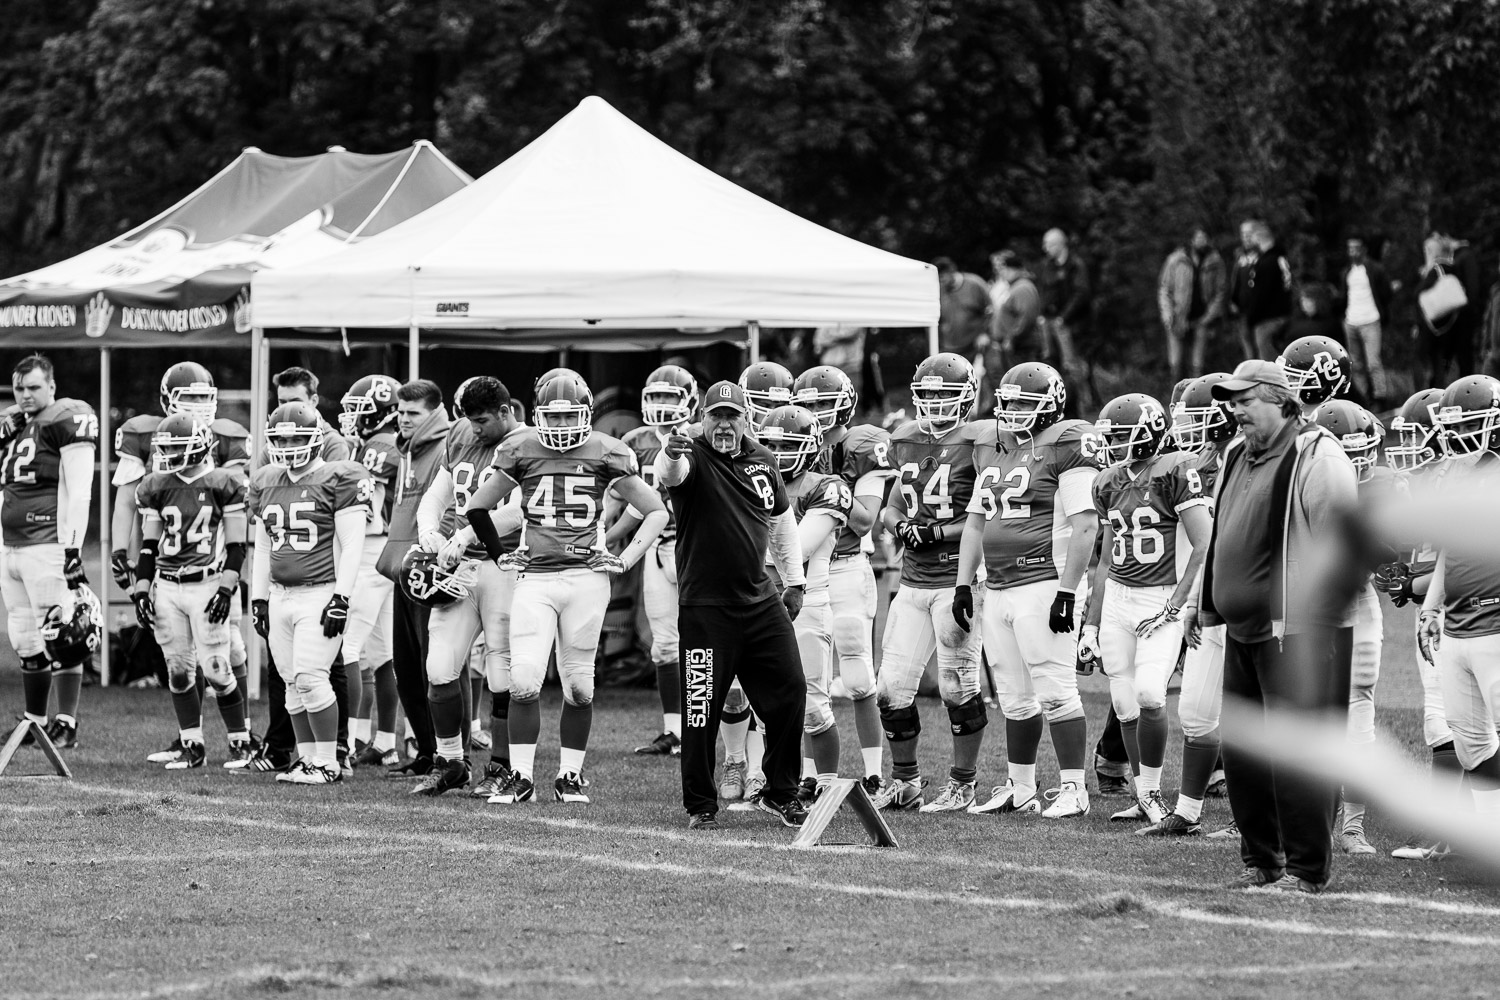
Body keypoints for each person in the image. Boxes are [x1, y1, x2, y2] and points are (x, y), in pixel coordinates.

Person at [463, 371, 666, 805]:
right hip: (535, 578)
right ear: (537, 417)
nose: (559, 428)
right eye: (551, 419)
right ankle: (521, 777)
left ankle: (569, 776)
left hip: (585, 579)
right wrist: (500, 554)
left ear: (586, 414)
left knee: (579, 686)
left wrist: (624, 559)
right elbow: (477, 507)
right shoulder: (520, 449)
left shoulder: (608, 452)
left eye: (568, 417)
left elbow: (656, 511)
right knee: (523, 680)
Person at [1197, 359, 1359, 893]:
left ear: (1280, 400)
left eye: (1246, 400)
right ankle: (1262, 860)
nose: (1235, 409)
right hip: (1244, 630)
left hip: (1298, 633)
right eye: (1232, 401)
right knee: (1244, 756)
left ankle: (1307, 870)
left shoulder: (1318, 455)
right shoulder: (1235, 456)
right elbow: (1222, 532)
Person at [655, 380, 811, 830]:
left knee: (791, 691)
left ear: (747, 420)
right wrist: (671, 450)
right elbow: (670, 473)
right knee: (701, 706)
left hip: (760, 599)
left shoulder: (764, 460)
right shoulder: (692, 455)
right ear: (703, 419)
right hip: (706, 607)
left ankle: (781, 793)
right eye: (716, 416)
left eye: (732, 417)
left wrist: (796, 581)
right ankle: (701, 805)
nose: (724, 424)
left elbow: (781, 525)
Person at [957, 362, 1101, 819]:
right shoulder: (998, 450)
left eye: (1023, 401)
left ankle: (1074, 789)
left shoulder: (1067, 444)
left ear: (1050, 403)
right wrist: (964, 583)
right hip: (997, 587)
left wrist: (1067, 591)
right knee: (1014, 697)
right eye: (1009, 401)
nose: (1013, 410)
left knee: (1057, 690)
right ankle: (1019, 787)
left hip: (1043, 583)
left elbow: (1085, 524)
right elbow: (976, 523)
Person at [1080, 393, 1212, 828]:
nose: (1112, 444)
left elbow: (1204, 543)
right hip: (1117, 596)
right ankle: (1143, 795)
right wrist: (1090, 624)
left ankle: (1154, 793)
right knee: (1123, 701)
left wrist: (1179, 602)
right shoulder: (1105, 482)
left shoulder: (1175, 469)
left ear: (1147, 434)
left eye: (1120, 436)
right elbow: (1104, 560)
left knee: (1151, 693)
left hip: (1160, 598)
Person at [872, 353, 988, 812]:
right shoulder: (904, 440)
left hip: (958, 578)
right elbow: (893, 506)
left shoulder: (980, 441)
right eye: (929, 394)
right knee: (890, 688)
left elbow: (984, 515)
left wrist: (939, 531)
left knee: (957, 686)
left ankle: (963, 782)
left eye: (945, 394)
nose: (936, 403)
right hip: (914, 580)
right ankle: (906, 780)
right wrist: (901, 526)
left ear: (966, 398)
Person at [412, 376, 527, 797]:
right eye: (470, 420)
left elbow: (517, 512)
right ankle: (451, 761)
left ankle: (501, 765)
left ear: (505, 412)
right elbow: (435, 496)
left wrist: (466, 536)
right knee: (439, 668)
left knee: (503, 673)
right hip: (457, 571)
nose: (474, 429)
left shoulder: (528, 442)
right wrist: (429, 533)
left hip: (505, 566)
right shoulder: (461, 434)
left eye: (481, 420)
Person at [248, 401, 371, 785]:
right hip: (281, 593)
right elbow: (264, 547)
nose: (287, 446)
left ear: (316, 437)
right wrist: (259, 597)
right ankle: (306, 759)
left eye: (296, 438)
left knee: (311, 677)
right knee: (290, 682)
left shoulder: (339, 476)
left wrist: (342, 598)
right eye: (280, 439)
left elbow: (353, 546)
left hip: (320, 592)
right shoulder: (266, 480)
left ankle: (328, 761)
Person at [1141, 372, 1236, 836]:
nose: (1187, 429)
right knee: (1196, 713)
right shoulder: (1187, 468)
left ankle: (1252, 818)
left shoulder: (1247, 464)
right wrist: (1193, 600)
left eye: (1197, 420)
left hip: (1249, 604)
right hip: (1207, 603)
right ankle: (1188, 812)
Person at [130, 413, 254, 770]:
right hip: (168, 585)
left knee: (217, 668)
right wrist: (141, 590)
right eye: (165, 447)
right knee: (179, 671)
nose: (168, 454)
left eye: (176, 447)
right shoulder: (155, 485)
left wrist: (226, 590)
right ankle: (192, 745)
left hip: (208, 582)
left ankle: (240, 742)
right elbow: (149, 547)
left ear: (199, 447)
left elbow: (236, 545)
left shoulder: (224, 482)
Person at [795, 365, 892, 795]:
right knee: (807, 679)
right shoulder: (791, 437)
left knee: (857, 676)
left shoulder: (863, 446)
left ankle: (873, 773)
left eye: (821, 403)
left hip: (848, 563)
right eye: (808, 404)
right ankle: (810, 776)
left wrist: (834, 491)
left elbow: (867, 519)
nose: (814, 411)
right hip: (805, 570)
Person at [756, 404, 853, 797]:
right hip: (758, 601)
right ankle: (777, 786)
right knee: (765, 707)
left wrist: (738, 547)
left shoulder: (826, 486)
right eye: (770, 447)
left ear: (811, 447)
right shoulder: (749, 479)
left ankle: (826, 788)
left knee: (812, 705)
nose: (777, 456)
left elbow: (796, 548)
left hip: (805, 602)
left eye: (789, 446)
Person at [1, 353, 98, 748]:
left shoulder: (66, 416)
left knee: (62, 633)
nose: (25, 395)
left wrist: (72, 550)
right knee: (24, 636)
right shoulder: (16, 427)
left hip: (47, 545)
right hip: (12, 546)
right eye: (20, 388)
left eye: (34, 387)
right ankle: (34, 721)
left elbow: (80, 491)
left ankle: (67, 722)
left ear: (52, 387)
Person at [615, 365, 700, 757]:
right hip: (656, 547)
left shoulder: (700, 437)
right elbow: (619, 497)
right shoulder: (635, 440)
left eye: (670, 396)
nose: (662, 405)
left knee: (704, 640)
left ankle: (716, 728)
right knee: (664, 646)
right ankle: (674, 732)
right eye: (656, 396)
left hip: (697, 547)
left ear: (690, 400)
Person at [376, 380, 451, 777]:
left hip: (428, 568)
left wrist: (436, 559)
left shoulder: (443, 447)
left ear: (434, 413)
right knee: (406, 668)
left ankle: (448, 753)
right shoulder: (406, 447)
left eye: (413, 414)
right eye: (401, 412)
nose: (403, 420)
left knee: (436, 665)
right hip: (402, 569)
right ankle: (425, 751)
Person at [339, 375, 402, 767]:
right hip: (386, 549)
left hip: (370, 550)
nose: (351, 418)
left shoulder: (379, 447)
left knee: (346, 647)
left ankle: (343, 742)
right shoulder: (382, 444)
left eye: (359, 410)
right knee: (382, 654)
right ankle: (384, 740)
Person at [1159, 229, 1226, 384]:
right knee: (1176, 363)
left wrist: (1209, 316)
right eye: (1199, 238)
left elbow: (1220, 292)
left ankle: (1195, 399)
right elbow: (1165, 289)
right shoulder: (1175, 260)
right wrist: (1167, 314)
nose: (1202, 241)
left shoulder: (1215, 261)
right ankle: (1175, 399)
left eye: (1205, 238)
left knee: (1197, 365)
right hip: (1178, 318)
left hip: (1202, 318)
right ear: (1191, 240)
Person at [1038, 229, 1094, 412]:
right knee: (1051, 363)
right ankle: (1060, 405)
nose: (1045, 248)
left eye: (1048, 244)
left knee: (1073, 366)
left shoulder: (1075, 265)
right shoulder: (1048, 266)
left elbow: (1082, 293)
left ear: (1059, 244)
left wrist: (1064, 317)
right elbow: (1045, 292)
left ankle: (1084, 405)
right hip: (1049, 321)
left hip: (1069, 324)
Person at [1340, 236, 1394, 407]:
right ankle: (1362, 399)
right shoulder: (1346, 272)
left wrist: (1383, 312)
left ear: (1364, 249)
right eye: (1350, 248)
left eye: (1356, 248)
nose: (1352, 252)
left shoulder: (1375, 269)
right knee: (1356, 365)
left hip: (1370, 319)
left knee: (1373, 362)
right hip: (1351, 321)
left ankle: (1380, 397)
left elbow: (1387, 293)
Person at [987, 251, 1042, 405]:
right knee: (1014, 383)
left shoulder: (1023, 288)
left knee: (1023, 383)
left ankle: (1027, 411)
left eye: (1004, 269)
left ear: (1014, 269)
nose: (1001, 273)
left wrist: (1012, 338)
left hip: (1021, 346)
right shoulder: (1015, 287)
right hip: (1013, 346)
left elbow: (1026, 317)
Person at [1242, 221, 1294, 360]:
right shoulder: (1280, 257)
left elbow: (1262, 294)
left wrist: (1251, 317)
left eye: (1251, 236)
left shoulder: (1267, 262)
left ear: (1258, 238)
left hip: (1268, 319)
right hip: (1283, 314)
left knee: (1269, 363)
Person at [935, 257, 992, 361]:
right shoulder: (938, 289)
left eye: (942, 278)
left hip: (976, 346)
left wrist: (985, 333)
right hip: (949, 347)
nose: (940, 282)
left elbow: (990, 310)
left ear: (951, 272)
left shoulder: (975, 284)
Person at [1227, 219, 1261, 361]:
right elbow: (1236, 281)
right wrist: (1233, 300)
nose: (1246, 237)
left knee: (1261, 345)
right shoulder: (1239, 256)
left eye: (1249, 233)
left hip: (1260, 312)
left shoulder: (1264, 255)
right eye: (1243, 234)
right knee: (1247, 346)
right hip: (1242, 312)